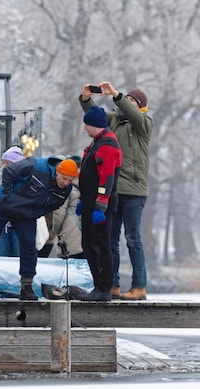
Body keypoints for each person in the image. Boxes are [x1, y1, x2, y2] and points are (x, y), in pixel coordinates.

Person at [0, 157, 78, 300]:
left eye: (70, 181)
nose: (65, 183)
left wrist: (36, 212)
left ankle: (26, 287)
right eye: (64, 178)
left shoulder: (66, 189)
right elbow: (9, 171)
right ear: (57, 172)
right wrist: (6, 195)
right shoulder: (37, 166)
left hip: (26, 214)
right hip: (1, 206)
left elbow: (55, 204)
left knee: (29, 247)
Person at [80, 82, 152, 300]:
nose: (126, 104)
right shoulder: (114, 122)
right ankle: (112, 283)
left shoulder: (143, 124)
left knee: (133, 238)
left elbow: (134, 115)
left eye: (131, 101)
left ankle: (139, 285)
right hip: (115, 189)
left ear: (140, 107)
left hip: (135, 190)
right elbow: (95, 120)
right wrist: (85, 98)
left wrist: (116, 94)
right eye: (126, 100)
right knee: (111, 238)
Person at [76, 105, 123, 301]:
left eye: (86, 125)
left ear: (94, 125)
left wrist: (100, 205)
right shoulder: (97, 143)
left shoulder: (107, 145)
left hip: (99, 207)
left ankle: (104, 287)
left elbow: (107, 178)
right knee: (88, 244)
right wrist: (82, 200)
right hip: (89, 203)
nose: (84, 128)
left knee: (100, 245)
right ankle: (98, 285)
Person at [51, 156, 85, 259]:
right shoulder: (87, 184)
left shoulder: (66, 188)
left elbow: (59, 213)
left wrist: (55, 231)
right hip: (86, 237)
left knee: (68, 271)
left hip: (69, 235)